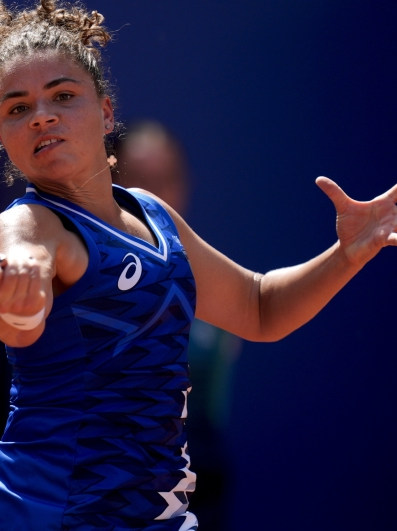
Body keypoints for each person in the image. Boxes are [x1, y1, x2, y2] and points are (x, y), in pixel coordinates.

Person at [0, 1, 397, 530]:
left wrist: (347, 255)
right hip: (40, 517)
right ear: (1, 133)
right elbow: (20, 277)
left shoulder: (155, 216)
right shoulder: (27, 226)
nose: (41, 115)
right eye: (17, 108)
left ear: (106, 112)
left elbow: (259, 307)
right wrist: (18, 290)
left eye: (62, 95)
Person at [114, 121, 241, 529]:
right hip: (108, 497)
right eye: (139, 181)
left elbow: (262, 305)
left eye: (165, 180)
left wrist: (348, 253)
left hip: (201, 493)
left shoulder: (214, 280)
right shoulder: (79, 277)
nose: (154, 197)